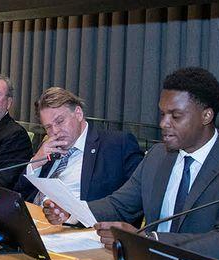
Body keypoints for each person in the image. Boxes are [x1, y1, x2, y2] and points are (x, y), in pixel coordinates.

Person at [44, 67, 219, 260]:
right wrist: (71, 212)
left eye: (175, 116)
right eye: (162, 114)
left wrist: (149, 241)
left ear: (206, 116)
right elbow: (120, 204)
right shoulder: (158, 155)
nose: (163, 123)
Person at [14, 87, 143, 216]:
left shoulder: (116, 144)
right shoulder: (49, 147)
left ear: (78, 114)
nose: (55, 131)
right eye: (48, 127)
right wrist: (35, 163)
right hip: (35, 221)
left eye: (60, 121)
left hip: (78, 228)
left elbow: (135, 202)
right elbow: (20, 195)